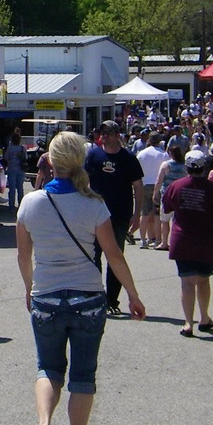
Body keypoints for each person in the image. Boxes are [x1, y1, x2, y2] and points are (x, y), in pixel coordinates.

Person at [16, 131, 145, 425]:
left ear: (50, 161)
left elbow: (23, 255)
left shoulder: (31, 203)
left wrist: (30, 288)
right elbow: (114, 255)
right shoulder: (93, 204)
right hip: (87, 297)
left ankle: (43, 424)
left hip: (46, 296)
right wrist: (132, 295)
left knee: (48, 368)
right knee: (83, 377)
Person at [85, 120, 143, 315]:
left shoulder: (128, 158)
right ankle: (96, 296)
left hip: (120, 214)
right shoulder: (93, 155)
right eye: (103, 133)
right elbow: (84, 181)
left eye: (109, 133)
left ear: (118, 134)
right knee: (94, 256)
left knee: (115, 256)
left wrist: (137, 214)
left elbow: (138, 186)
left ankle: (111, 299)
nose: (105, 136)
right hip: (94, 214)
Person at [161, 151, 213, 337]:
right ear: (204, 167)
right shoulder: (211, 188)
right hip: (206, 239)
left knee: (186, 282)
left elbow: (167, 206)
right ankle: (204, 318)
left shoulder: (176, 185)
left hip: (182, 239)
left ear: (187, 167)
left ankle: (188, 322)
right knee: (203, 280)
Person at [135, 132, 168, 249]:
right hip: (157, 185)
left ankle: (143, 240)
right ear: (159, 141)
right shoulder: (163, 154)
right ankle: (157, 240)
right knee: (157, 215)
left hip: (144, 185)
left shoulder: (141, 154)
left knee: (144, 213)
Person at [151, 146, 187, 250]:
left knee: (165, 220)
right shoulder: (183, 165)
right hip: (180, 195)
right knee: (178, 220)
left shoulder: (166, 165)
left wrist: (155, 193)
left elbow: (159, 180)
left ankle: (164, 242)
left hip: (167, 194)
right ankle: (177, 242)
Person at [3, 133, 27, 209]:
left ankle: (11, 205)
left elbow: (6, 157)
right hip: (21, 169)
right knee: (20, 187)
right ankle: (21, 203)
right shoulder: (23, 147)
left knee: (12, 188)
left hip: (12, 169)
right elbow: (26, 157)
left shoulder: (10, 148)